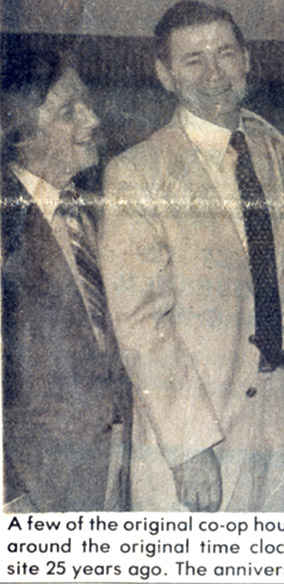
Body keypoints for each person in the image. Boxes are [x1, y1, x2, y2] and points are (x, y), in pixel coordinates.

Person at [99, 0, 284, 512]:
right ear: (165, 75)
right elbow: (141, 327)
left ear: (246, 60)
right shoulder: (137, 174)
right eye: (194, 60)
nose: (214, 73)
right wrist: (189, 446)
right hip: (201, 437)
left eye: (225, 53)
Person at [2, 49, 132, 512]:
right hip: (36, 488)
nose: (92, 119)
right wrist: (9, 492)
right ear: (17, 134)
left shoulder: (97, 206)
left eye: (87, 103)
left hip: (114, 468)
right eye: (67, 112)